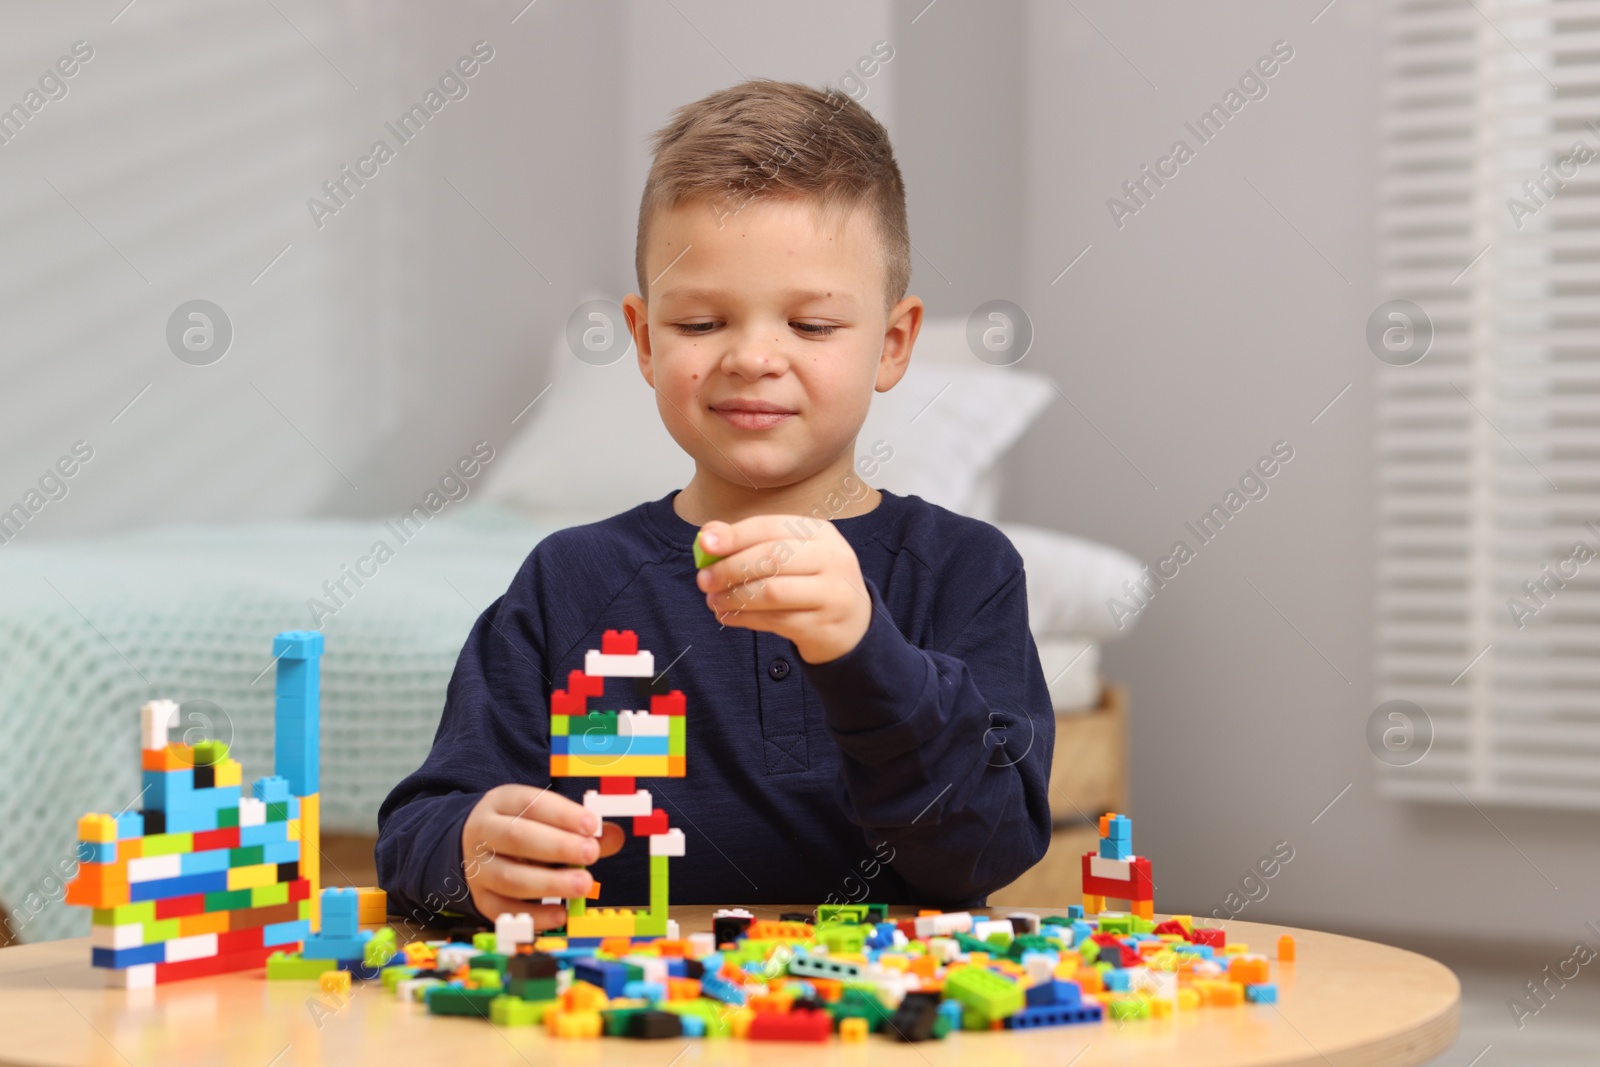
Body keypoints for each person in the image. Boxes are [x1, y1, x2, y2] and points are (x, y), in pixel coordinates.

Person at [377, 78, 1053, 930]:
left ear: (892, 344)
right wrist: (469, 850)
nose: (754, 357)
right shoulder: (569, 581)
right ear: (647, 340)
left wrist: (865, 651)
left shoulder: (965, 572)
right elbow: (419, 830)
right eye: (701, 323)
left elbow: (986, 847)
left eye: (810, 326)